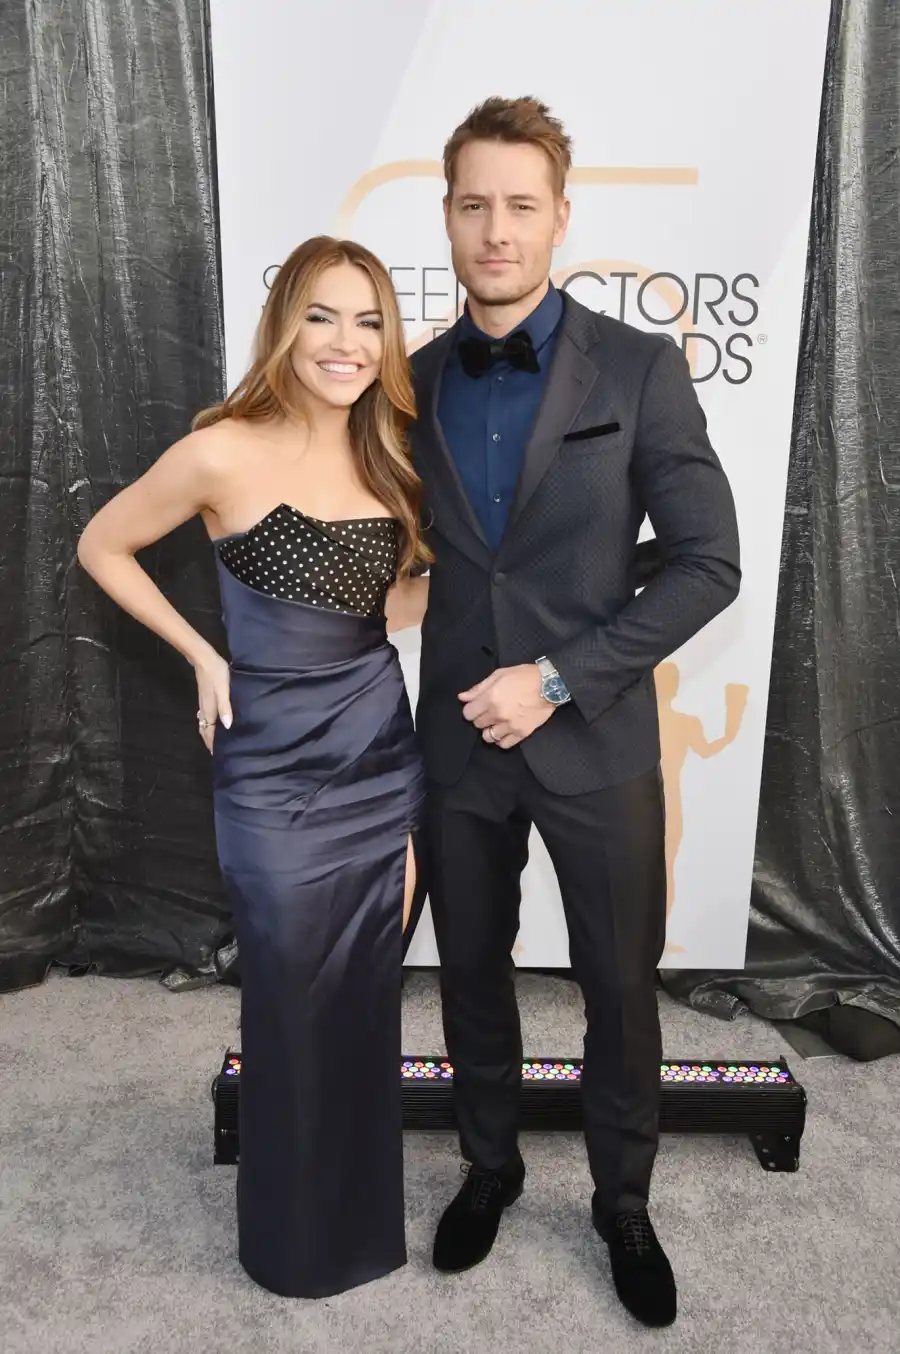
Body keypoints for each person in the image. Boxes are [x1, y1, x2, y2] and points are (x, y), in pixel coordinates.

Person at [409, 97, 741, 1329]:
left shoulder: (639, 368)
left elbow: (710, 561)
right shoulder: (411, 378)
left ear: (560, 215)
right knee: (471, 978)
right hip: (456, 744)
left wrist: (554, 675)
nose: (497, 230)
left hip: (594, 742)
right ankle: (488, 1165)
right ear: (446, 214)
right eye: (474, 204)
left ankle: (624, 1201)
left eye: (520, 205)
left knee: (617, 981)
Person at [77, 236, 430, 1299]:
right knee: (285, 999)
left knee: (366, 997)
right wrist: (200, 652)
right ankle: (290, 1243)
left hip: (381, 750)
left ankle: (361, 1226)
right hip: (271, 765)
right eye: (323, 316)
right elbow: (102, 543)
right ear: (285, 325)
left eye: (369, 321)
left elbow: (389, 607)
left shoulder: (394, 454)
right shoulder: (221, 451)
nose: (347, 343)